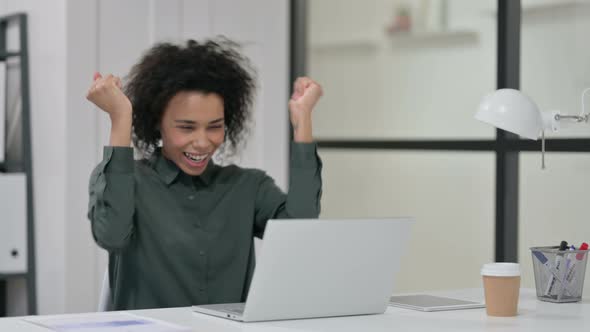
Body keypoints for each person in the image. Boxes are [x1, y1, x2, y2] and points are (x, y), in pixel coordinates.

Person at [86, 39, 323, 310]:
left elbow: (301, 232)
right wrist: (120, 118)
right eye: (187, 128)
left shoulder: (248, 186)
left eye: (214, 127)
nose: (202, 142)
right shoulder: (129, 181)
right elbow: (112, 236)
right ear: (156, 124)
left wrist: (303, 121)